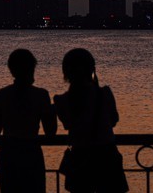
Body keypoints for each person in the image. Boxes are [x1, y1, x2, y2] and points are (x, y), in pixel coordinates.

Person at [53, 48, 129, 193]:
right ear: (92, 69)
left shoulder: (61, 101)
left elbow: (68, 124)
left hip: (80, 157)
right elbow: (114, 120)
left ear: (66, 73)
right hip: (107, 156)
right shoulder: (104, 94)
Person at [0, 49, 57, 193]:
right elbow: (51, 132)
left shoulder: (0, 95)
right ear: (32, 68)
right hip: (31, 152)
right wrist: (53, 110)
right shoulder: (41, 95)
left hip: (8, 153)